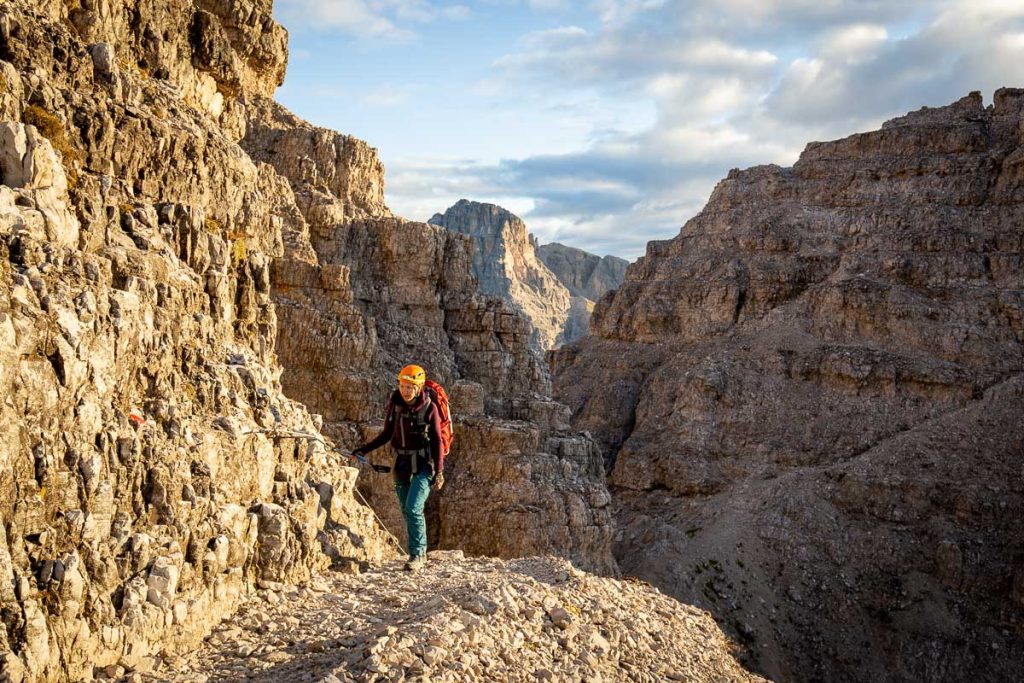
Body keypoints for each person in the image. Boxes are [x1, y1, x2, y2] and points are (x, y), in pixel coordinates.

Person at [352, 364, 445, 571]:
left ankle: (418, 555)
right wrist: (363, 450)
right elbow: (387, 433)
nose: (405, 390)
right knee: (406, 509)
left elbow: (438, 441)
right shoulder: (395, 404)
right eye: (402, 385)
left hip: (424, 464)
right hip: (402, 463)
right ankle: (416, 551)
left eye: (410, 387)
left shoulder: (430, 408)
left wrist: (439, 471)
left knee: (413, 508)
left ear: (419, 388)